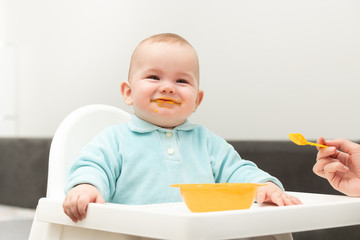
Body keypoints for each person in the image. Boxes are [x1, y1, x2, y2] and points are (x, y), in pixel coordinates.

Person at [62, 33, 301, 223]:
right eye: (154, 77)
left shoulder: (207, 143)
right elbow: (93, 166)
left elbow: (236, 171)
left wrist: (264, 187)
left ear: (197, 100)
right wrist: (86, 187)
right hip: (133, 233)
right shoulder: (115, 139)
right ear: (128, 93)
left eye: (181, 81)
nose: (168, 88)